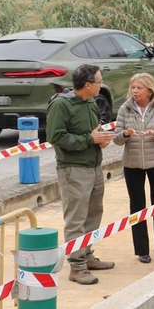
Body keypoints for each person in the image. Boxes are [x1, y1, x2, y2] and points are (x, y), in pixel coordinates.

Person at [47, 64, 116, 285]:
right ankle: (77, 266)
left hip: (94, 166)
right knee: (76, 219)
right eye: (99, 82)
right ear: (87, 84)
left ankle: (86, 255)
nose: (101, 85)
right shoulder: (61, 105)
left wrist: (101, 138)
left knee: (93, 214)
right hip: (73, 169)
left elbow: (94, 129)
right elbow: (56, 137)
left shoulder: (91, 102)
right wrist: (89, 140)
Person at [115, 72, 154, 264]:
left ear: (149, 90)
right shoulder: (125, 109)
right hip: (132, 164)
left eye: (139, 88)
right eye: (133, 87)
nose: (135, 91)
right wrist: (125, 134)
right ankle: (142, 250)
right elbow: (116, 139)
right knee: (137, 206)